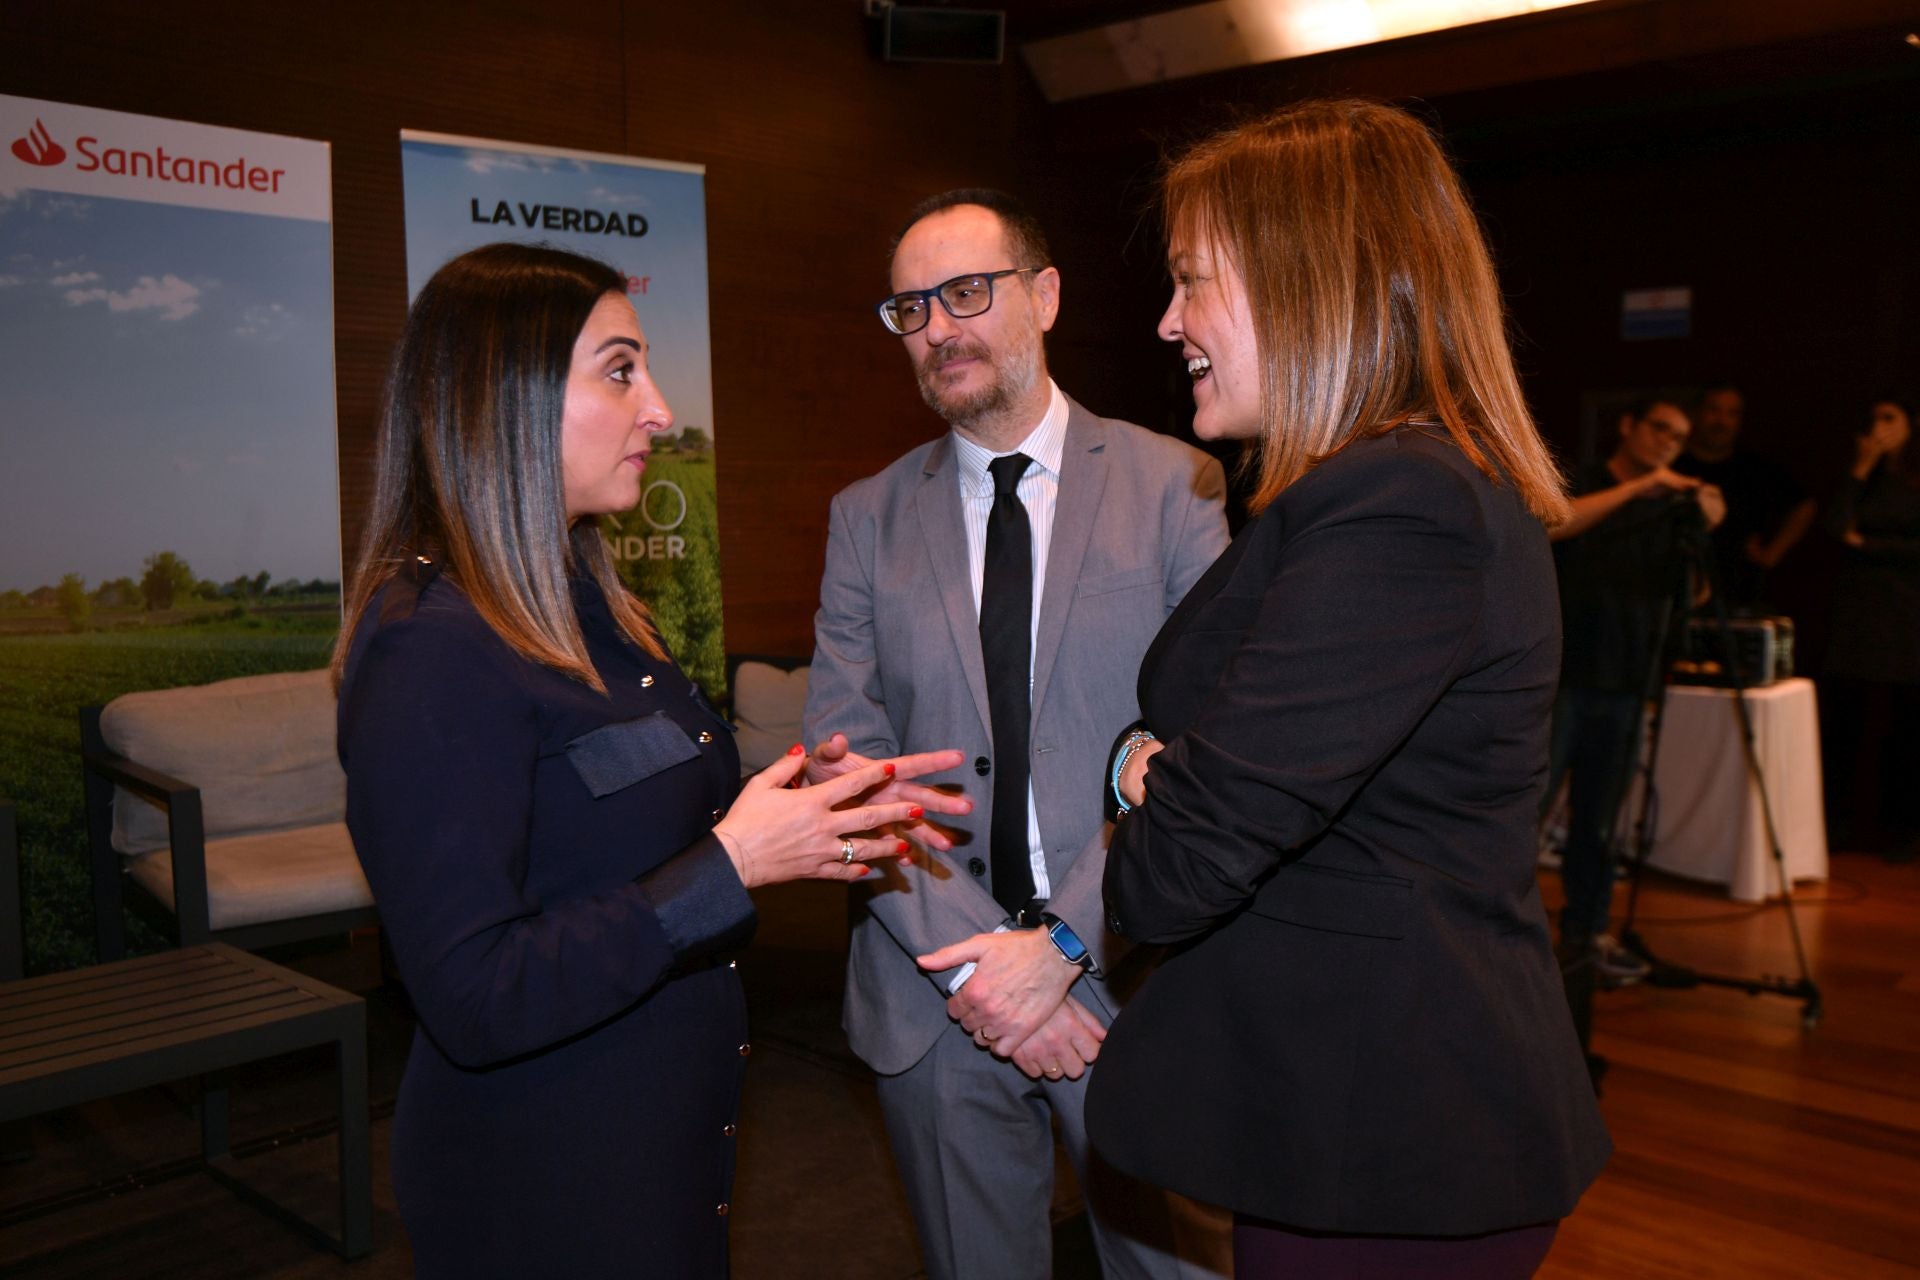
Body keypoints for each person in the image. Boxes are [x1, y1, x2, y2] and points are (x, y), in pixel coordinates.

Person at [333, 242, 956, 1278]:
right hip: (545, 1184)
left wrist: (813, 810)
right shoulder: (431, 646)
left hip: (654, 1153)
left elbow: (626, 827)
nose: (660, 409)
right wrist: (736, 861)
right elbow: (477, 994)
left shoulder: (593, 606)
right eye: (620, 370)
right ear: (507, 397)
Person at [1081, 100, 1612, 1277]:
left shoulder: (1398, 509)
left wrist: (1141, 778)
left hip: (1397, 1140)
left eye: (1190, 282)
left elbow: (1169, 874)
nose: (1169, 323)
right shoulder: (1385, 495)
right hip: (1350, 1126)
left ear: (1309, 278)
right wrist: (1148, 762)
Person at [802, 189, 1231, 1280]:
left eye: (965, 292)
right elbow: (845, 764)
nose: (938, 327)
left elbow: (1209, 753)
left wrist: (1060, 950)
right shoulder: (864, 516)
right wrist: (981, 975)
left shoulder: (1175, 484)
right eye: (910, 307)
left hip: (1126, 977)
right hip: (930, 989)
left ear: (1042, 296)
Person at [1549, 398, 1727, 983]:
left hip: (1628, 681)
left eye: (1679, 438)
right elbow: (1555, 522)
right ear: (1627, 426)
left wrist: (1701, 523)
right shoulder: (1588, 479)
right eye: (1659, 429)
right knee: (1524, 811)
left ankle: (1586, 934)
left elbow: (1694, 596)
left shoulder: (1671, 507)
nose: (1668, 444)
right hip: (1562, 676)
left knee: (1601, 822)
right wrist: (1640, 489)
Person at [1822, 395, 1920, 859]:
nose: (1878, 427)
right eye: (1873, 418)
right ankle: (1838, 824)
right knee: (1846, 722)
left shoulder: (1913, 479)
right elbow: (1836, 527)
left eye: (1889, 418)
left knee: (1906, 727)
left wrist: (1868, 544)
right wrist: (1860, 468)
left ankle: (1902, 831)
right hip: (1858, 616)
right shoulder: (1864, 476)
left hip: (1907, 618)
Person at [1672, 383, 1815, 611]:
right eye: (1714, 410)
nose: (1721, 421)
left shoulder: (1754, 468)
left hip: (1740, 589)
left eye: (1732, 413)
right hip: (1676, 589)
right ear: (1697, 414)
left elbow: (1804, 505)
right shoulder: (1673, 468)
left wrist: (1773, 553)